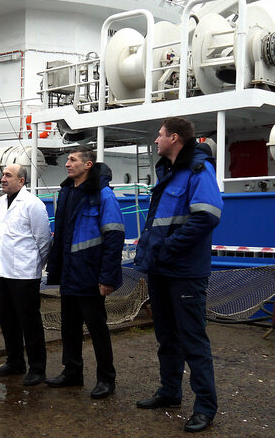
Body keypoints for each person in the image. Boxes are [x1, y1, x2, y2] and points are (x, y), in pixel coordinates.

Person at [134, 117, 223, 433]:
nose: (156, 141)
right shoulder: (168, 173)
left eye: (160, 136)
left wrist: (168, 248)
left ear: (174, 138)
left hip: (183, 271)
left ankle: (205, 407)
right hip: (162, 269)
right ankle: (169, 392)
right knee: (166, 337)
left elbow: (207, 217)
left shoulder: (198, 171)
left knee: (192, 339)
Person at [45, 147, 124, 399]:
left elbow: (114, 236)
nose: (67, 164)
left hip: (90, 274)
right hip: (70, 273)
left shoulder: (103, 195)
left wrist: (107, 277)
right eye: (68, 160)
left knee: (97, 328)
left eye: (73, 160)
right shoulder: (67, 192)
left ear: (88, 165)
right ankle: (72, 372)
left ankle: (106, 379)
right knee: (69, 327)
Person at [0, 163, 52, 386]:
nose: (3, 178)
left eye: (8, 175)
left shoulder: (32, 205)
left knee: (30, 322)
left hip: (24, 274)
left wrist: (36, 265)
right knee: (7, 320)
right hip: (2, 271)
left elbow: (44, 240)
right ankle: (14, 361)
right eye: (3, 175)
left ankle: (37, 368)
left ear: (21, 181)